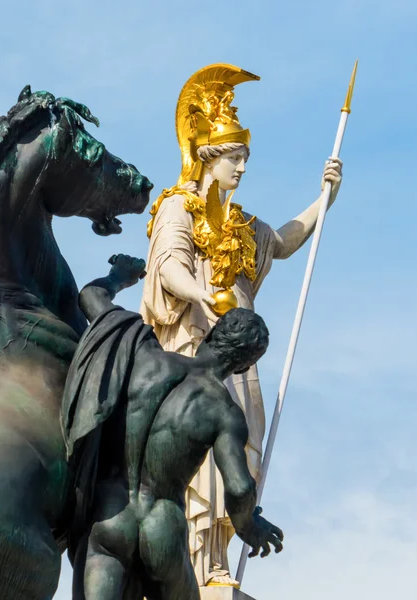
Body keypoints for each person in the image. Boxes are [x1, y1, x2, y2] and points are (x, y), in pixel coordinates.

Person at [140, 63, 342, 586]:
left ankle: (215, 564)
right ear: (209, 157)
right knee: (197, 456)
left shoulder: (246, 225)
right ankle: (184, 560)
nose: (242, 168)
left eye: (245, 158)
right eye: (235, 158)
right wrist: (199, 291)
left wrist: (324, 198)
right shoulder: (178, 209)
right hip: (190, 351)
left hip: (238, 359)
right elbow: (169, 266)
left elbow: (285, 241)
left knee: (238, 451)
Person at [62, 254, 284, 600]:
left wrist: (119, 276)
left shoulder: (143, 351)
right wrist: (249, 527)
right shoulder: (226, 413)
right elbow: (240, 489)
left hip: (109, 513)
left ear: (211, 333)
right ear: (243, 367)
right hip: (161, 524)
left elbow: (91, 297)